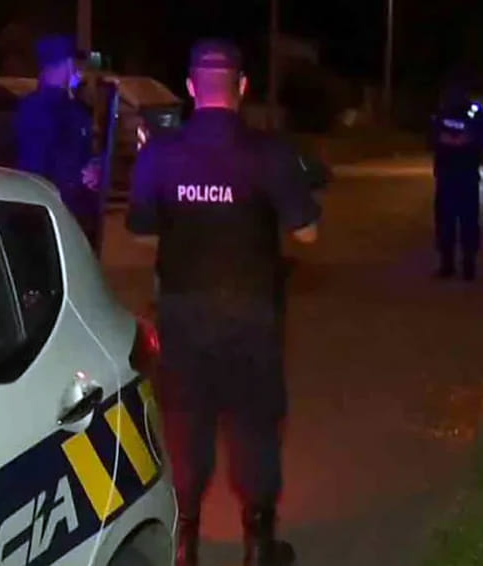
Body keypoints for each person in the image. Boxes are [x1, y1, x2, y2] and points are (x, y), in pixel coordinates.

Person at [126, 39, 319, 566]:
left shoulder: (159, 154)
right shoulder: (270, 152)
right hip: (252, 313)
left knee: (186, 422)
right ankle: (258, 545)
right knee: (255, 424)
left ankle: (184, 543)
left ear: (191, 87)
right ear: (243, 87)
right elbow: (307, 232)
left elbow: (141, 234)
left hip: (183, 311)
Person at [14, 34, 102, 251]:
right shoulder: (54, 110)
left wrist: (94, 167)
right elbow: (38, 162)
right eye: (76, 64)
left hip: (53, 214)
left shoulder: (35, 107)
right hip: (57, 217)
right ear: (67, 65)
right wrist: (81, 177)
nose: (80, 71)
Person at [428, 78, 483, 281]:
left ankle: (464, 264)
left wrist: (468, 141)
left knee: (463, 220)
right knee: (450, 221)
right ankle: (451, 263)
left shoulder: (475, 113)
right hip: (449, 175)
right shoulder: (442, 113)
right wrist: (446, 141)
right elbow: (430, 139)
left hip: (463, 175)